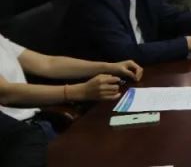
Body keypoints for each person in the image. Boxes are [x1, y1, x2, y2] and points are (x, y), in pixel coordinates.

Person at [0, 33, 142, 167]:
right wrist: (80, 91)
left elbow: (48, 64)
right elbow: (6, 94)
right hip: (14, 140)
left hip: (38, 125)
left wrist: (109, 67)